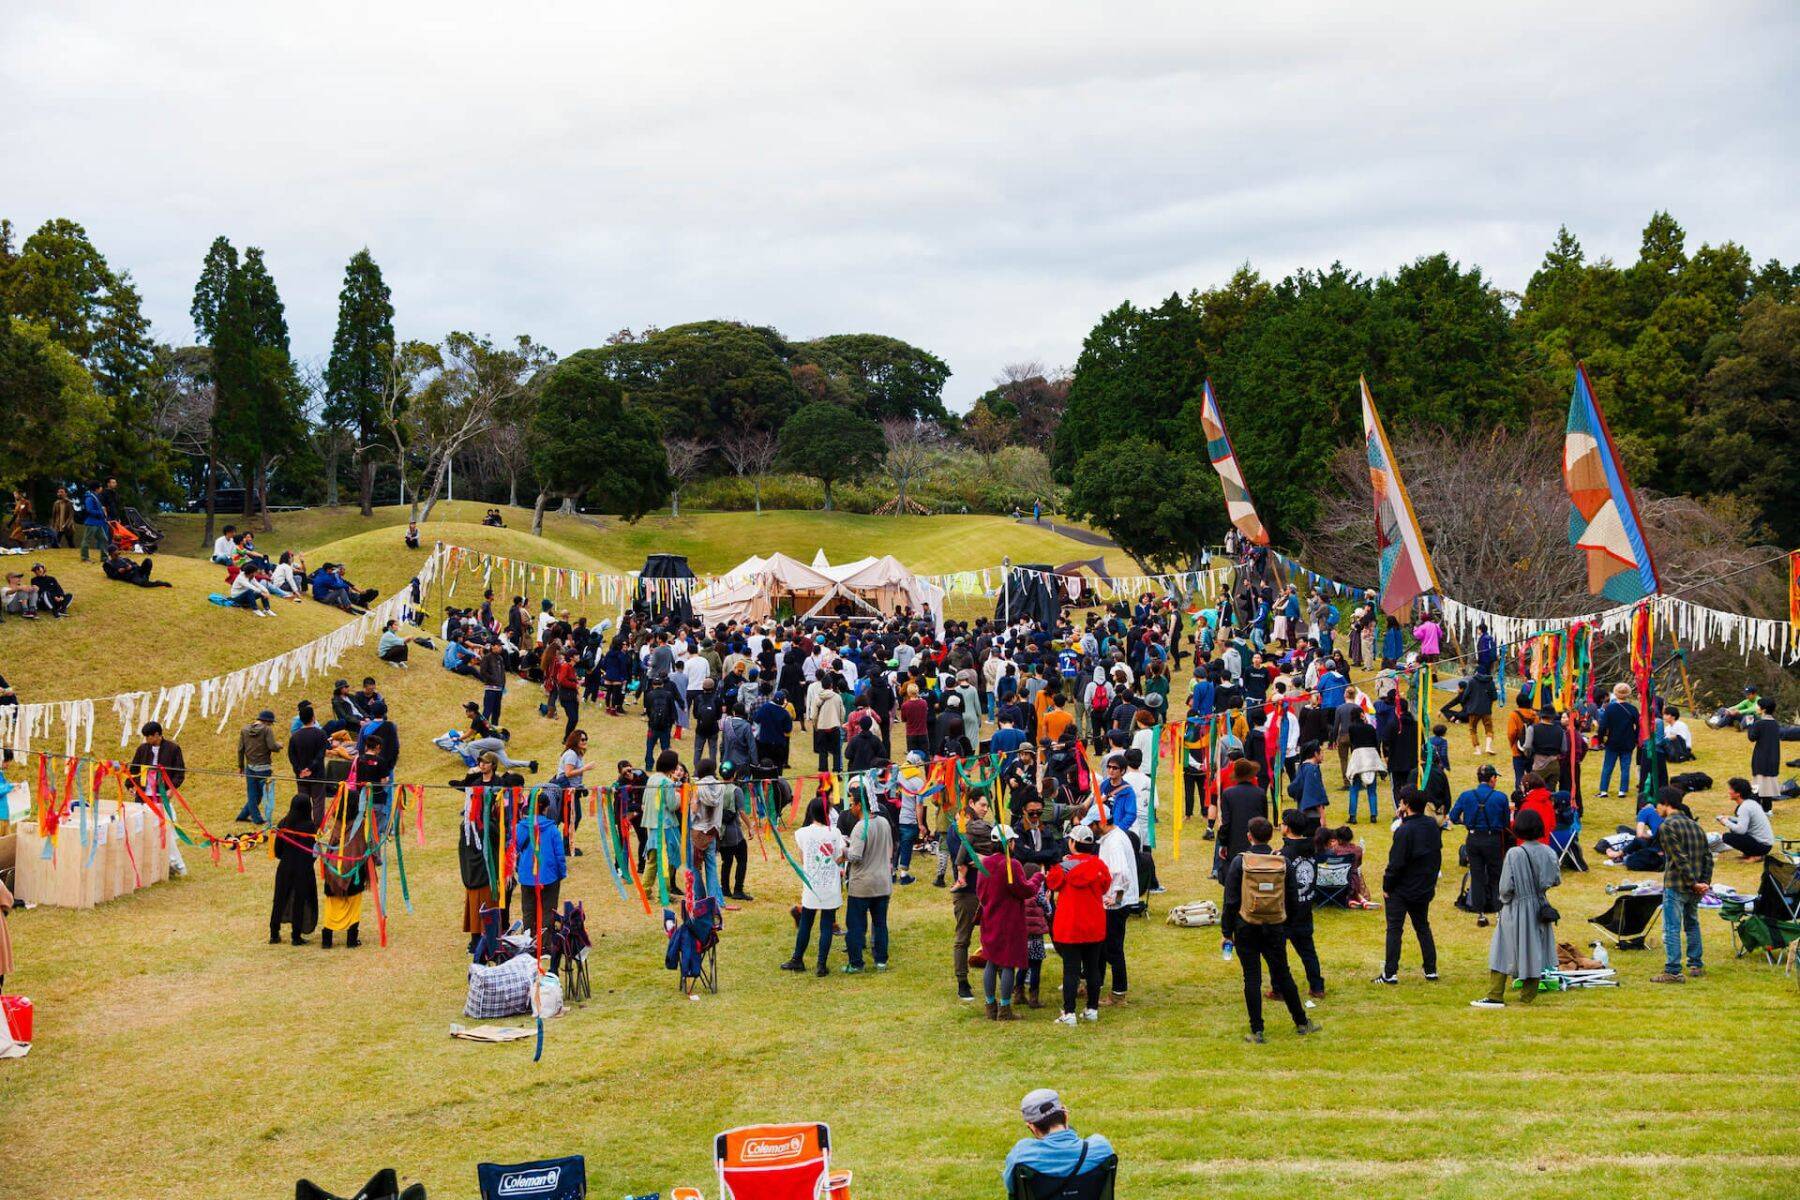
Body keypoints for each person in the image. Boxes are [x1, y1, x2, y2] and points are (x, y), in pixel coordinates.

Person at [1222, 816, 1322, 1043]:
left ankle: (1257, 1030)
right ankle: (1301, 1022)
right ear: (1271, 836)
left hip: (1246, 926)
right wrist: (1285, 924)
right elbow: (1293, 898)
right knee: (1283, 973)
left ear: (1249, 836)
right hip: (1275, 926)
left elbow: (1230, 901)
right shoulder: (1282, 862)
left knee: (1252, 978)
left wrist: (1226, 932)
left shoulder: (1240, 862)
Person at [1470, 807, 1561, 1008]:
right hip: (1540, 906)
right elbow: (1555, 879)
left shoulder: (1514, 853)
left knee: (1502, 949)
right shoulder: (1549, 852)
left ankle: (1495, 995)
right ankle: (1528, 995)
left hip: (1516, 906)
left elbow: (1505, 888)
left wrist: (1506, 900)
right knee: (1534, 949)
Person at [1044, 824, 1110, 1025]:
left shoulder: (1063, 867)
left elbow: (1051, 883)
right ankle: (1092, 1009)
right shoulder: (1099, 866)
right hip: (1094, 924)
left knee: (1071, 971)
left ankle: (1069, 1012)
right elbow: (1105, 886)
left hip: (1070, 926)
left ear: (1072, 843)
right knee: (1093, 969)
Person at [1375, 788, 1441, 984]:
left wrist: (1387, 886)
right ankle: (1431, 969)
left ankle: (1390, 973)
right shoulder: (1431, 825)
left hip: (1402, 888)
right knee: (1422, 926)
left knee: (1394, 929)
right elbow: (1436, 855)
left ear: (1406, 804)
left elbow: (1396, 863)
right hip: (1423, 885)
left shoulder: (1404, 831)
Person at [1002, 1089, 1116, 1196]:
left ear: (1032, 1127)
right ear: (1065, 1115)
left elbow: (1013, 1188)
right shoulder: (1101, 1148)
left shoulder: (1021, 1155)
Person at [977, 827, 1039, 1020]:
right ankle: (1004, 1008)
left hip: (990, 918)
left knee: (991, 961)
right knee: (1008, 964)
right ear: (1010, 843)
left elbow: (980, 893)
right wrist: (1037, 878)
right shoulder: (1012, 865)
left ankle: (990, 1006)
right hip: (1010, 922)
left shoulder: (985, 864)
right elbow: (1025, 891)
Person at [1652, 785, 1712, 984]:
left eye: (1657, 804)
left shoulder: (1667, 826)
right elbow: (1708, 858)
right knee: (1692, 924)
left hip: (1677, 884)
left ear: (1666, 803)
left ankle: (1673, 970)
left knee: (1672, 927)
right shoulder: (1696, 826)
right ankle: (1695, 964)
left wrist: (1694, 883)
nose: (1656, 808)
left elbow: (1678, 858)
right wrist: (1704, 882)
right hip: (1696, 886)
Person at [782, 796, 846, 976]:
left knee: (806, 923)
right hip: (830, 886)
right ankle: (821, 965)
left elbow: (803, 859)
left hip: (812, 886)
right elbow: (839, 857)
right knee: (826, 925)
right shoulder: (835, 833)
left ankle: (797, 959)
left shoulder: (802, 833)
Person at [949, 794, 996, 1000]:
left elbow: (997, 851)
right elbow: (961, 855)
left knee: (994, 936)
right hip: (967, 892)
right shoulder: (957, 828)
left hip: (988, 889)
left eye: (987, 806)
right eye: (982, 805)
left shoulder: (986, 828)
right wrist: (981, 858)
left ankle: (999, 975)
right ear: (971, 804)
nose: (985, 809)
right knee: (963, 938)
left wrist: (985, 859)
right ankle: (962, 981)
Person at [1450, 764, 1509, 924]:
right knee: (1496, 875)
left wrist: (1467, 823)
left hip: (1473, 838)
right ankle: (1498, 911)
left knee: (1477, 876)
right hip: (1492, 839)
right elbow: (1505, 822)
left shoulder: (1466, 796)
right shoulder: (1501, 797)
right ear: (1492, 779)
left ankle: (1480, 914)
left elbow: (1453, 816)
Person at [842, 787, 893, 973]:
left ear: (859, 805)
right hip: (882, 882)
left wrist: (843, 851)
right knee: (880, 924)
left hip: (862, 885)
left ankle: (856, 963)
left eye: (852, 804)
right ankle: (881, 961)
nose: (850, 808)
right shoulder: (884, 822)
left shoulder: (860, 827)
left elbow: (855, 856)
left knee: (855, 925)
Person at [127, 721, 189, 873]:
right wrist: (130, 785)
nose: (146, 740)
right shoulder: (142, 749)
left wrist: (171, 789)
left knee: (164, 830)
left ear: (156, 735)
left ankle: (175, 865)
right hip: (143, 797)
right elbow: (134, 769)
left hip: (161, 796)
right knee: (143, 829)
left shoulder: (173, 749)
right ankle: (147, 864)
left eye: (148, 737)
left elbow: (179, 772)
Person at [1094, 802, 1138, 1006]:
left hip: (1116, 905)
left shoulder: (1114, 842)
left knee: (1113, 949)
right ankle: (1099, 983)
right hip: (1113, 902)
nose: (1091, 829)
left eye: (1093, 824)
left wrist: (1116, 899)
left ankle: (1119, 993)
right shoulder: (1112, 838)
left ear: (1102, 823)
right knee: (1105, 946)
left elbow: (1121, 873)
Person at [1279, 808, 1325, 998]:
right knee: (1308, 952)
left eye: (1282, 823)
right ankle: (1317, 987)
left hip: (1285, 912)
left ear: (1288, 828)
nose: (1280, 826)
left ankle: (1279, 988)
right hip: (1305, 907)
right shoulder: (1311, 848)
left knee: (1278, 954)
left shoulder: (1284, 854)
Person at [316, 791, 370, 949]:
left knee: (332, 905)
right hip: (353, 870)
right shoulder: (361, 825)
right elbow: (367, 845)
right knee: (354, 904)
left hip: (334, 869)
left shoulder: (338, 822)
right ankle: (351, 940)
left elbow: (332, 844)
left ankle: (327, 941)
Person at [514, 792, 567, 937]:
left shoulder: (520, 827)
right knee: (548, 911)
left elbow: (513, 849)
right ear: (546, 808)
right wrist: (561, 873)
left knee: (528, 911)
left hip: (527, 876)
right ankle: (545, 943)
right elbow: (560, 856)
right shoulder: (552, 829)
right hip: (549, 877)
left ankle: (529, 941)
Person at [269, 796, 320, 946]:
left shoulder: (284, 823)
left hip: (285, 868)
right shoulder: (310, 827)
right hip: (303, 870)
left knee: (279, 899)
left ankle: (274, 934)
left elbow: (277, 850)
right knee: (300, 901)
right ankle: (296, 936)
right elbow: (313, 852)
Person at [1594, 682, 1641, 798]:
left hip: (1612, 741)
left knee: (1607, 767)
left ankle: (1603, 790)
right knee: (1625, 767)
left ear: (1615, 693)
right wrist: (1635, 738)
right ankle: (1622, 791)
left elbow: (1603, 726)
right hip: (1628, 741)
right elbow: (1639, 726)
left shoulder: (1609, 708)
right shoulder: (1633, 709)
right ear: (1628, 694)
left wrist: (1600, 740)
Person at [235, 709, 281, 823]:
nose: (271, 725)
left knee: (252, 794)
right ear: (267, 721)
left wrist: (240, 766)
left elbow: (240, 749)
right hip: (264, 768)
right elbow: (272, 746)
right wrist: (279, 745)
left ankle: (242, 816)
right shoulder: (267, 729)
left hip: (250, 767)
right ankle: (257, 819)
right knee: (261, 794)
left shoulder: (244, 729)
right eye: (271, 723)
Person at [1717, 777, 1775, 861]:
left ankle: (1756, 856)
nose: (1729, 792)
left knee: (1727, 837)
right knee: (1733, 826)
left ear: (1738, 793)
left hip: (1762, 847)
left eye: (1731, 789)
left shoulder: (1744, 807)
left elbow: (1741, 830)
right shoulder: (1751, 803)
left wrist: (1725, 821)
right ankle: (1750, 853)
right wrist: (1730, 818)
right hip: (1766, 845)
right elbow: (1746, 821)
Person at [1745, 698, 1787, 806]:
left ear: (1763, 709)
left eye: (1758, 705)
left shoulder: (1759, 723)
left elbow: (1752, 737)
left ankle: (1757, 806)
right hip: (1774, 757)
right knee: (1768, 783)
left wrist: (1749, 724)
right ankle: (1768, 808)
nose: (1756, 707)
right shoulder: (1775, 723)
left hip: (1761, 757)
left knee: (1758, 782)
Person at [102, 548, 171, 587]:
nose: (118, 555)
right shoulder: (108, 564)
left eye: (118, 553)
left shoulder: (124, 559)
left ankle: (146, 577)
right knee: (144, 584)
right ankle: (158, 583)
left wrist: (131, 566)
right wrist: (119, 571)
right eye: (115, 554)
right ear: (111, 554)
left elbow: (135, 564)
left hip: (137, 570)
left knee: (148, 560)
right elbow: (111, 575)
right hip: (131, 576)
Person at [78, 483, 110, 562]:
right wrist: (101, 513)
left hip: (98, 522)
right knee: (87, 540)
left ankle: (104, 558)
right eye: (100, 487)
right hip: (92, 522)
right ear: (96, 488)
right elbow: (89, 510)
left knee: (104, 539)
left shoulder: (95, 497)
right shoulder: (90, 498)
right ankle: (85, 558)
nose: (102, 488)